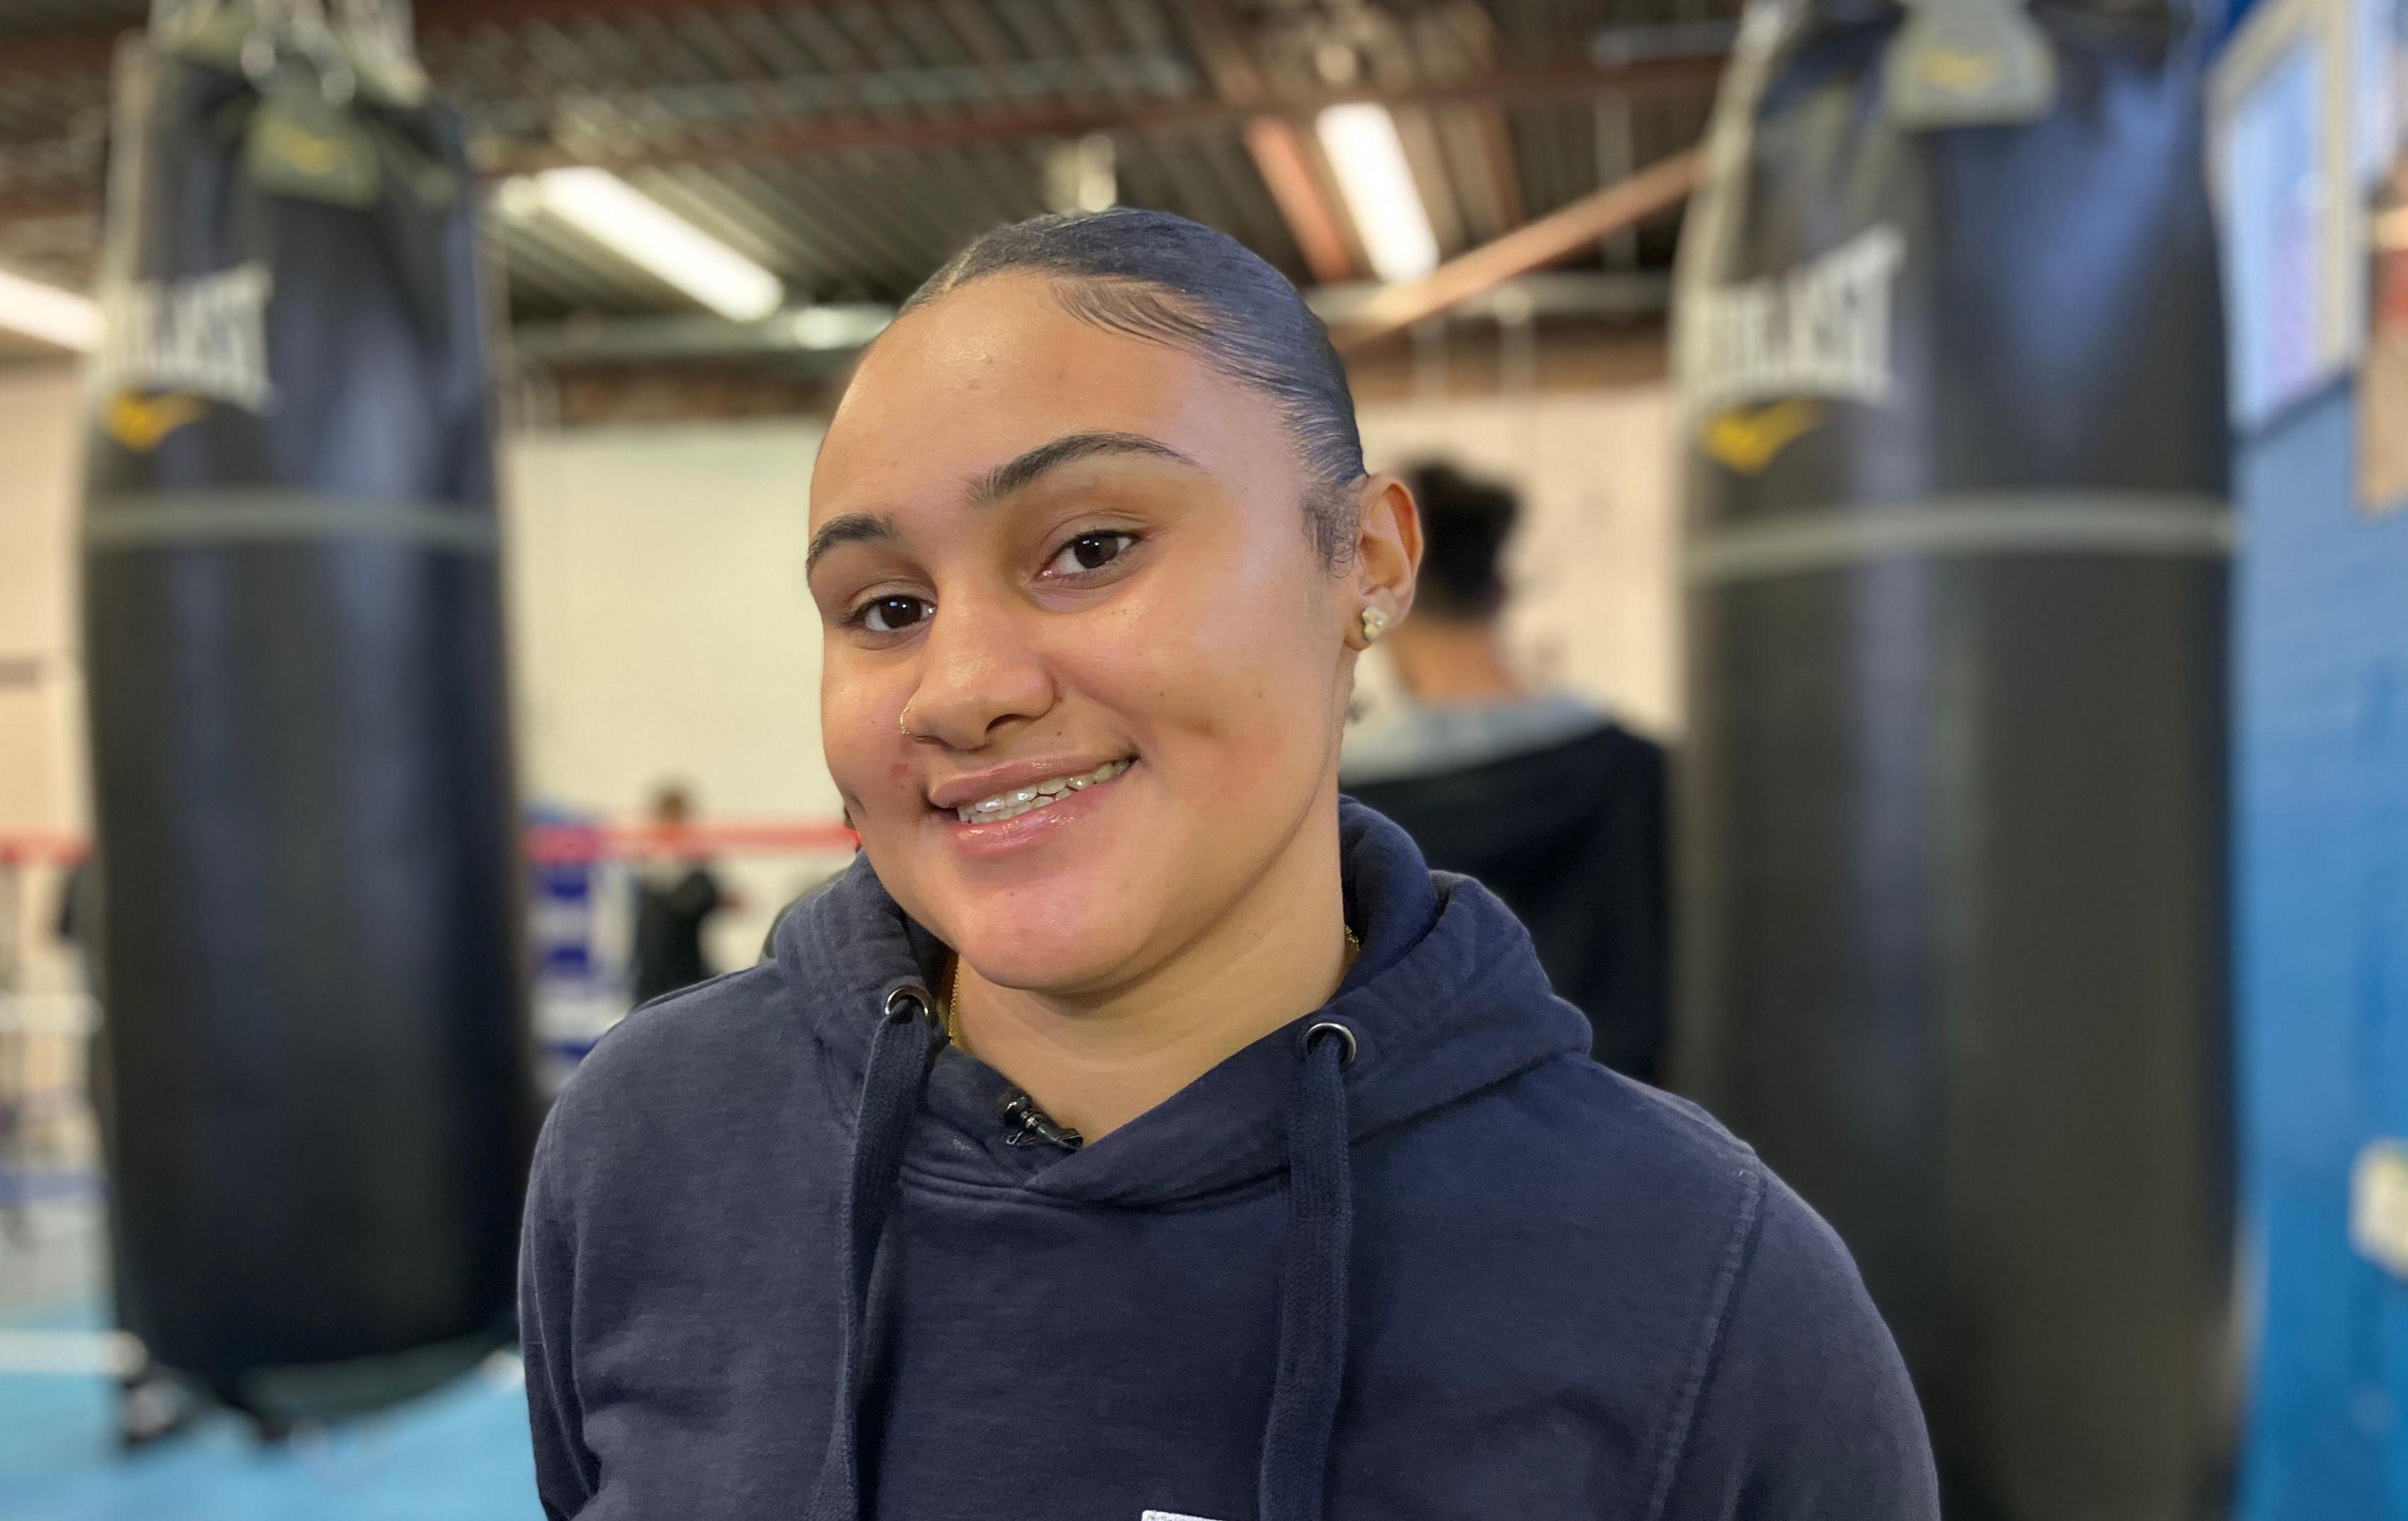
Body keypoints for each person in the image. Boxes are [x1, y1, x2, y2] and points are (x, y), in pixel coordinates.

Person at [520, 209, 1934, 1520]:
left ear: (1367, 561)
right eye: (885, 606)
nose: (958, 688)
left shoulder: (1703, 1288)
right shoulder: (652, 1145)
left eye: (1089, 548)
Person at [1339, 461, 1670, 1083]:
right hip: (1628, 1134)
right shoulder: (1639, 772)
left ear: (1384, 591)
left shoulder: (1347, 809)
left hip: (1419, 1150)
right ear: (1503, 589)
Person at [627, 782, 725, 1007]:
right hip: (650, 980)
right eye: (665, 818)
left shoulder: (697, 870)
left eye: (675, 818)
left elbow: (708, 900)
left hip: (688, 978)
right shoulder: (642, 868)